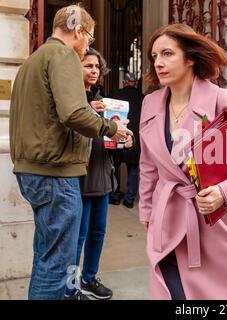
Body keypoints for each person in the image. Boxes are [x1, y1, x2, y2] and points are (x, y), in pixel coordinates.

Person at [9, 4, 132, 300]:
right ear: (78, 30)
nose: (87, 46)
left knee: (46, 256)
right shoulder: (63, 54)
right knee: (56, 265)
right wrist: (113, 128)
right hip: (55, 174)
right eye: (88, 38)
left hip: (33, 170)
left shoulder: (32, 60)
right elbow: (74, 113)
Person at [139, 23, 227, 299]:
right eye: (154, 56)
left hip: (215, 224)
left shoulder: (222, 99)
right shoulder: (150, 104)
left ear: (190, 58)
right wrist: (148, 212)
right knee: (174, 291)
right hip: (168, 220)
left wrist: (226, 192)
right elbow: (148, 167)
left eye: (167, 54)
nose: (158, 63)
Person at [64, 48, 130, 300]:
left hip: (103, 176)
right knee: (77, 237)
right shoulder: (71, 99)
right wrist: (88, 110)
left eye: (96, 67)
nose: (93, 71)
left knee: (97, 232)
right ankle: (69, 288)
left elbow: (110, 135)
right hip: (80, 178)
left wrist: (126, 137)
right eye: (87, 65)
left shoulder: (106, 101)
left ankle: (89, 279)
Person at [108, 72, 145, 208]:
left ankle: (115, 196)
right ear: (135, 83)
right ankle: (129, 200)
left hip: (117, 134)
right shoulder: (143, 98)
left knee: (115, 166)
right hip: (134, 138)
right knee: (133, 169)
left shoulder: (115, 94)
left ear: (124, 82)